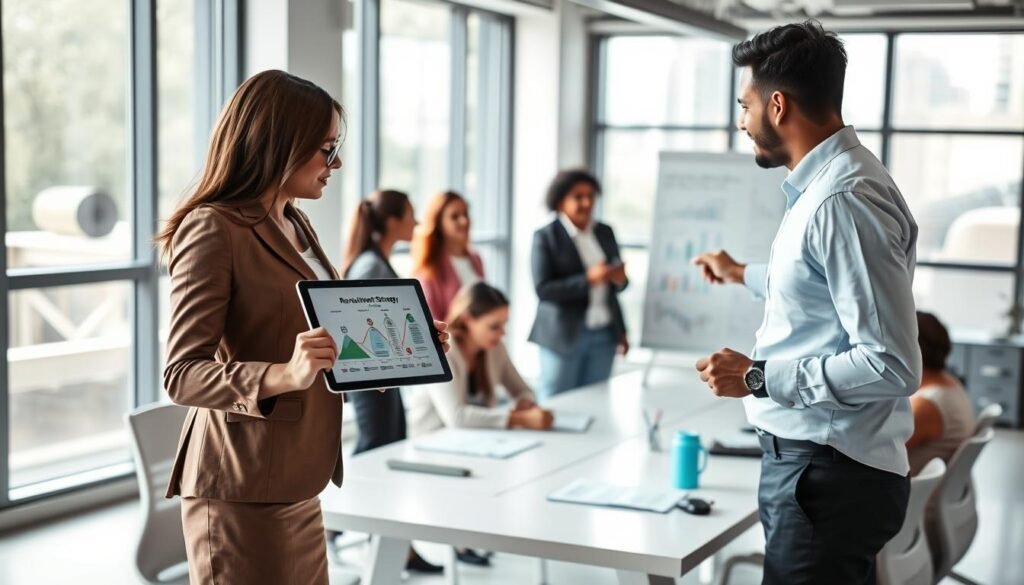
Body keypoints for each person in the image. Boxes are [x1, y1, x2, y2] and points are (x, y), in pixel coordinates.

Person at [157, 70, 449, 585]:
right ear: (279, 144)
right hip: (241, 485)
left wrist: (401, 353)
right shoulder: (213, 227)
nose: (336, 164)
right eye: (325, 148)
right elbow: (182, 374)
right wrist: (283, 375)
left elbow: (321, 341)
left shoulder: (295, 221)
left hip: (298, 478)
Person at [691, 21, 920, 585]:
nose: (740, 121)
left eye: (743, 106)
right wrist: (741, 273)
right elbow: (820, 286)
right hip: (824, 469)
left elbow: (890, 362)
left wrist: (756, 378)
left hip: (824, 474)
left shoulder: (841, 201)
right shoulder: (834, 185)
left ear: (776, 105)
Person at [336, 189, 444, 573]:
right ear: (393, 221)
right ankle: (343, 524)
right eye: (411, 216)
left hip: (383, 377)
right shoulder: (371, 265)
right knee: (376, 454)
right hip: (373, 380)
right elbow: (365, 323)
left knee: (383, 449)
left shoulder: (376, 261)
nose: (416, 224)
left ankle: (387, 541)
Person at [408, 282, 552, 567]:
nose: (502, 333)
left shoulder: (494, 349)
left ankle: (476, 539)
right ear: (469, 319)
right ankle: (467, 541)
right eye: (494, 326)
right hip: (431, 448)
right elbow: (456, 417)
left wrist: (524, 402)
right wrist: (518, 418)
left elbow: (523, 389)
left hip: (473, 445)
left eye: (504, 325)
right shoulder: (445, 351)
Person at [528, 169, 629, 400]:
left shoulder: (604, 232)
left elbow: (617, 288)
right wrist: (589, 279)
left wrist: (619, 280)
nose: (586, 202)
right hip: (563, 336)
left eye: (591, 196)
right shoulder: (546, 236)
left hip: (604, 332)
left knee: (596, 399)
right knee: (557, 400)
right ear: (560, 200)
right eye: (578, 196)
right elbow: (543, 289)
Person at [907, 311, 975, 476]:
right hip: (932, 489)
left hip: (916, 496)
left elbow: (883, 450)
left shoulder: (928, 405)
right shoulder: (950, 382)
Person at [411, 191, 485, 321]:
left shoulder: (475, 259)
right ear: (438, 223)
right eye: (454, 216)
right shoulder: (429, 267)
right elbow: (431, 319)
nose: (464, 221)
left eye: (465, 214)